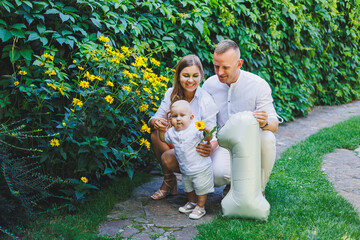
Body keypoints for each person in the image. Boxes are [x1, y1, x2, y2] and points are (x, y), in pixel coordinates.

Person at [202, 39, 279, 195]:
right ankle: (235, 185)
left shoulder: (258, 84)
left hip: (252, 143)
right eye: (216, 66)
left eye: (225, 67)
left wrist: (264, 122)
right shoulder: (209, 85)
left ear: (239, 64)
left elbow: (274, 124)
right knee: (217, 176)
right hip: (225, 144)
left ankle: (258, 189)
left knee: (268, 138)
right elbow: (204, 119)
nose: (220, 72)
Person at [149, 54, 218, 200]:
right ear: (179, 75)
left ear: (201, 76)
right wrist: (155, 122)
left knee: (167, 157)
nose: (190, 80)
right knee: (155, 134)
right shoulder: (171, 93)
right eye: (186, 75)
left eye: (195, 75)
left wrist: (210, 145)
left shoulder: (205, 100)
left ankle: (195, 189)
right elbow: (155, 117)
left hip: (194, 150)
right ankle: (169, 181)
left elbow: (212, 132)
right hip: (176, 141)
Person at [158, 100, 214, 219]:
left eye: (182, 115)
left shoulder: (195, 129)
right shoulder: (172, 132)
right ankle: (192, 202)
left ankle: (200, 206)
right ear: (170, 119)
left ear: (191, 117)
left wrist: (206, 130)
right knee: (188, 187)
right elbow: (164, 139)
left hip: (200, 167)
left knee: (200, 187)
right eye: (174, 116)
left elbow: (208, 138)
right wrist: (161, 131)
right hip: (185, 168)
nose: (178, 119)